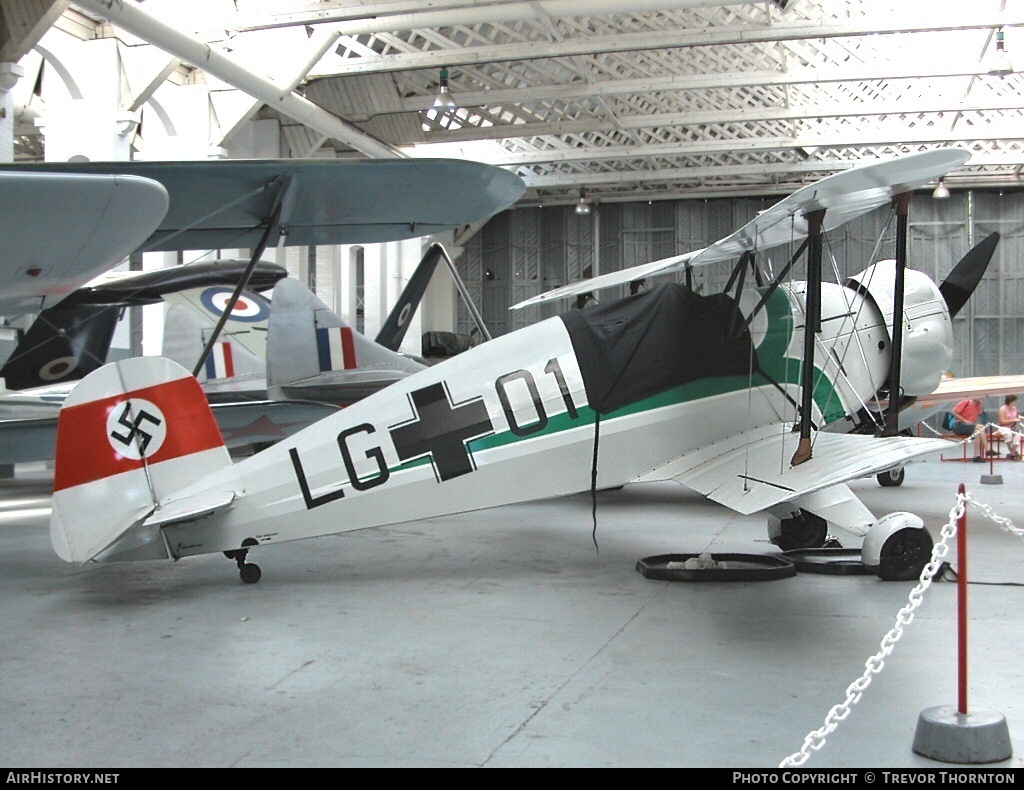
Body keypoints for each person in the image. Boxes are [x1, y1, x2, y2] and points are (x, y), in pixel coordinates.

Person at [950, 397, 988, 462]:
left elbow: (978, 416)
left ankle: (976, 456)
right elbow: (953, 411)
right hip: (959, 425)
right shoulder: (965, 402)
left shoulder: (979, 404)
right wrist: (964, 420)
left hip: (969, 426)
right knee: (981, 427)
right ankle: (988, 449)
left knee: (978, 433)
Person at [997, 394, 1023, 460]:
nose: (1015, 403)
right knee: (1008, 434)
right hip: (1004, 427)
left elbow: (1016, 416)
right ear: (1010, 401)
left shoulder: (1014, 408)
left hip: (1013, 427)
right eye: (1014, 401)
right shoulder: (1002, 409)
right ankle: (1011, 450)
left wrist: (1020, 417)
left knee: (1018, 434)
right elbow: (1002, 421)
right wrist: (1014, 420)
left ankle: (1013, 452)